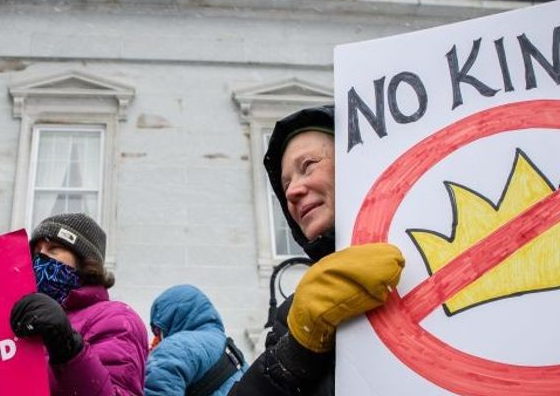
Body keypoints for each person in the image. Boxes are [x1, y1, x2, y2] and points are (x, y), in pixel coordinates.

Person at [229, 105, 406, 396]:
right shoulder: (298, 310)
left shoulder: (430, 251)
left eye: (308, 165)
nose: (291, 192)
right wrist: (294, 354)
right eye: (285, 184)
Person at [0, 212, 149, 395]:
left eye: (53, 249)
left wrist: (68, 348)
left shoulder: (116, 318)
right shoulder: (19, 317)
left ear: (84, 262)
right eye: (36, 251)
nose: (40, 259)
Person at [144, 285, 245, 396]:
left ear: (169, 319)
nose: (157, 339)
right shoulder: (234, 355)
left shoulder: (174, 347)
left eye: (158, 330)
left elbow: (158, 389)